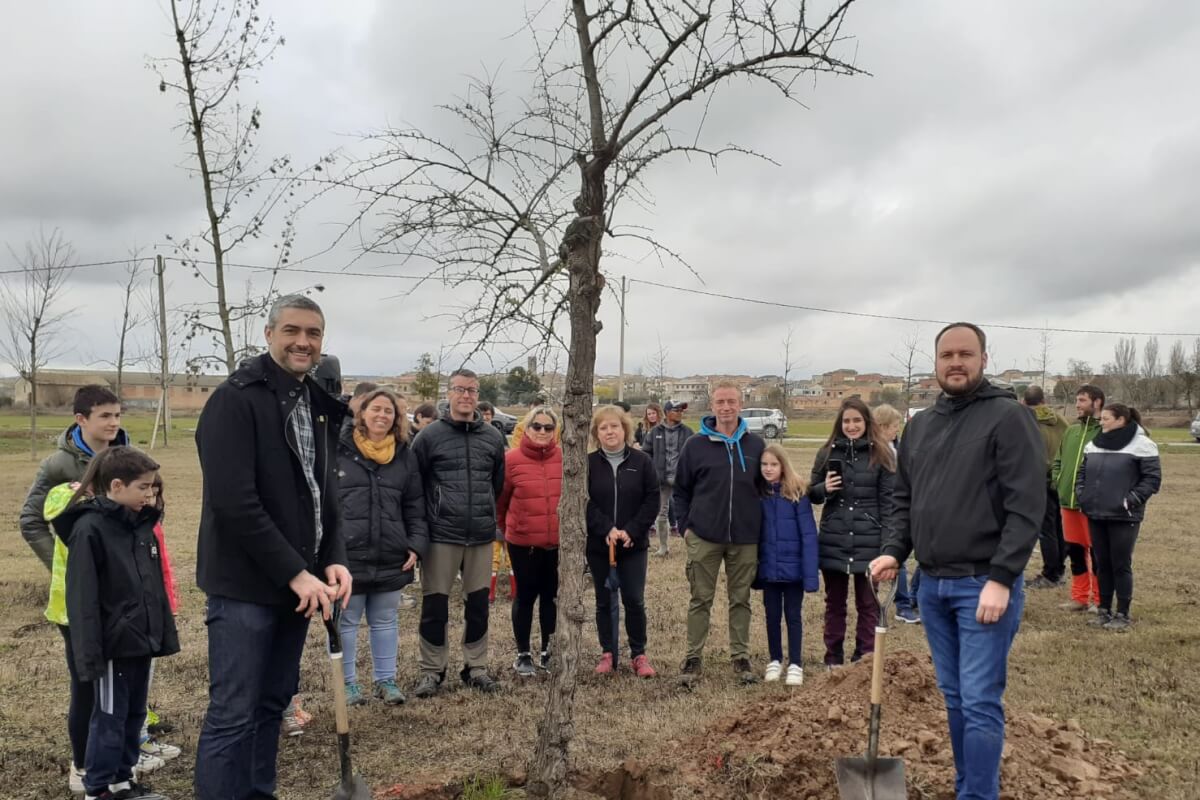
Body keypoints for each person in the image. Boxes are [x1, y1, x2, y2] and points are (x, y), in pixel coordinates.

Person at [871, 322, 1044, 800]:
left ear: (983, 359)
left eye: (966, 354)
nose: (956, 362)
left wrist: (1003, 578)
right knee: (954, 697)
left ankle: (978, 794)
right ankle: (968, 786)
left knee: (980, 700)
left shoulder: (1008, 418)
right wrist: (893, 550)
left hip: (982, 585)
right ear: (936, 362)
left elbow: (1027, 505)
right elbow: (905, 500)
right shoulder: (922, 424)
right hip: (932, 586)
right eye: (947, 355)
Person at [193, 295, 353, 800]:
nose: (303, 342)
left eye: (313, 333)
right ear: (268, 335)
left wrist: (334, 557)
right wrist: (294, 571)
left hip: (297, 589)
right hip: (245, 587)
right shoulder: (235, 401)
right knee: (233, 714)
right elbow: (234, 501)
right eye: (292, 331)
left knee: (271, 706)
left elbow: (321, 492)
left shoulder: (315, 404)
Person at [54, 446, 179, 800]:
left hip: (141, 641)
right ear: (117, 486)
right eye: (143, 487)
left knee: (134, 715)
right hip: (113, 648)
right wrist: (90, 653)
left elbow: (151, 587)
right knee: (109, 717)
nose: (150, 495)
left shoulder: (141, 525)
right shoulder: (89, 530)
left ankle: (123, 782)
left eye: (153, 487)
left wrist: (160, 632)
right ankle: (97, 789)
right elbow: (83, 599)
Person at [411, 368, 507, 697]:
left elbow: (496, 484)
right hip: (441, 535)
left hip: (480, 534)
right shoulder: (428, 437)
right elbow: (416, 487)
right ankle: (432, 671)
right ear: (449, 393)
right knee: (434, 606)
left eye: (472, 390)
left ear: (478, 396)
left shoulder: (492, 438)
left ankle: (475, 667)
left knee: (478, 605)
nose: (466, 396)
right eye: (460, 389)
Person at [337, 388, 429, 706]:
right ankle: (348, 684)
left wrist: (416, 545)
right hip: (347, 554)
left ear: (396, 418)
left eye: (389, 411)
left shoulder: (404, 454)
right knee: (347, 621)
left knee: (386, 620)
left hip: (391, 551)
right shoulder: (339, 450)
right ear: (361, 413)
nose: (382, 415)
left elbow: (415, 504)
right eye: (375, 408)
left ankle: (385, 680)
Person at [674, 381, 766, 686]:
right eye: (720, 402)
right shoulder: (695, 445)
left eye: (731, 402)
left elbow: (767, 489)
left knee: (741, 599)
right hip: (704, 536)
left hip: (745, 538)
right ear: (712, 406)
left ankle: (740, 657)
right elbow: (681, 491)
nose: (726, 407)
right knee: (700, 599)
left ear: (740, 405)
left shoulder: (756, 445)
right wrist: (686, 528)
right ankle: (693, 658)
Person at [809, 397, 896, 669]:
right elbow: (811, 494)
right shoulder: (826, 453)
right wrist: (824, 488)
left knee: (868, 604)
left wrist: (888, 546)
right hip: (834, 538)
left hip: (869, 540)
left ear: (866, 422)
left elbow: (889, 504)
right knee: (834, 603)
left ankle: (864, 659)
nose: (851, 426)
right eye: (846, 421)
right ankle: (833, 657)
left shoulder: (882, 455)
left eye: (857, 420)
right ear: (840, 423)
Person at [586, 405, 660, 677]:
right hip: (600, 545)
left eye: (614, 426)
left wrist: (631, 530)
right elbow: (584, 501)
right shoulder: (588, 464)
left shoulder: (642, 462)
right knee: (604, 601)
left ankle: (639, 654)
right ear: (597, 433)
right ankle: (607, 652)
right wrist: (606, 528)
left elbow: (652, 499)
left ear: (624, 429)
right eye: (603, 428)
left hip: (633, 545)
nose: (610, 432)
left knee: (634, 600)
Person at [21, 385, 128, 569]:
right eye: (105, 416)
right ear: (81, 419)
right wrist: (65, 567)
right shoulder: (57, 466)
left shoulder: (133, 461)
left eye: (117, 415)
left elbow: (152, 509)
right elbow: (31, 521)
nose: (114, 423)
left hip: (126, 568)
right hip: (83, 570)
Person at [1075, 404, 1161, 631]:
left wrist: (1130, 500)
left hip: (1124, 516)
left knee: (1120, 564)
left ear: (1121, 420)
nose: (1101, 422)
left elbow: (1152, 479)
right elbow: (1082, 473)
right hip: (1095, 513)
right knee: (1102, 564)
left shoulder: (1143, 445)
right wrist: (1082, 494)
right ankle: (1104, 610)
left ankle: (1122, 613)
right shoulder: (1094, 443)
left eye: (1106, 419)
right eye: (1101, 418)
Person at [497, 406, 563, 676]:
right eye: (537, 426)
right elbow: (501, 503)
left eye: (549, 427)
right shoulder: (511, 460)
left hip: (556, 544)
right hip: (524, 544)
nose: (542, 431)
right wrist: (512, 530)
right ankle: (523, 653)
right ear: (527, 428)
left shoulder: (565, 458)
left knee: (551, 597)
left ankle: (548, 650)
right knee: (525, 597)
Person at [755, 444, 819, 686]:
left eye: (773, 464)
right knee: (771, 616)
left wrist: (809, 575)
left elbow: (809, 536)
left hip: (794, 572)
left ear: (783, 466)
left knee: (793, 616)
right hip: (769, 570)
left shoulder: (797, 494)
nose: (768, 469)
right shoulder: (759, 494)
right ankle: (775, 659)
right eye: (764, 464)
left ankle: (795, 663)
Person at [1051, 385, 1104, 612]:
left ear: (1097, 402)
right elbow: (1058, 460)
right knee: (1074, 551)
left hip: (1091, 505)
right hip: (1067, 504)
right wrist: (1058, 481)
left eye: (1082, 400)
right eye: (1077, 400)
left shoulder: (1105, 432)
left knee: (1097, 553)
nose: (1077, 404)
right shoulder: (1071, 431)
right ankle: (1079, 597)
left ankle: (1100, 599)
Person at [873, 404, 920, 624]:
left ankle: (908, 600)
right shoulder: (874, 453)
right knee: (894, 558)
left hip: (900, 510)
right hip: (884, 514)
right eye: (894, 426)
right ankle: (901, 604)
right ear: (882, 427)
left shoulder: (898, 448)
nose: (897, 430)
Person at [1023, 385, 1070, 589]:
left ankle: (1051, 573)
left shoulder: (1026, 420)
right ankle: (1059, 570)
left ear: (1024, 402)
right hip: (1059, 477)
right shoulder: (1060, 420)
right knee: (1060, 526)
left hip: (1039, 478)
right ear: (1043, 400)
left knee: (1046, 529)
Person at [642, 400, 693, 557]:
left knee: (690, 512)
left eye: (681, 410)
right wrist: (653, 471)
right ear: (667, 412)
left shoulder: (688, 432)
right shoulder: (654, 432)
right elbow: (646, 453)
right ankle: (663, 547)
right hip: (662, 479)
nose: (680, 413)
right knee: (661, 513)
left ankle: (693, 546)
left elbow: (695, 454)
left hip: (682, 480)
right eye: (676, 410)